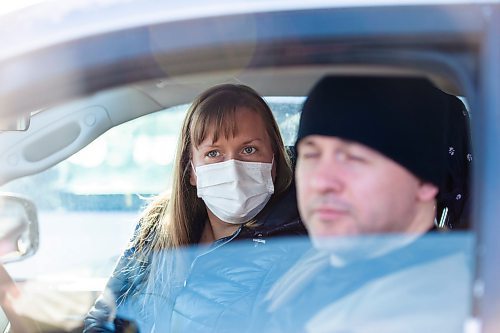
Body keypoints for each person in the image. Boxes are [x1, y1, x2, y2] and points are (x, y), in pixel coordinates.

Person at [254, 76, 473, 333]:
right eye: (311, 154)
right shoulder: (322, 260)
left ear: (425, 181)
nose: (321, 181)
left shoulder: (430, 310)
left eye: (353, 158)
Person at [83, 84, 306, 332]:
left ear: (275, 161)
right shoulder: (156, 226)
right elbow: (104, 320)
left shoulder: (293, 248)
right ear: (191, 171)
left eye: (249, 150)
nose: (232, 169)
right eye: (213, 153)